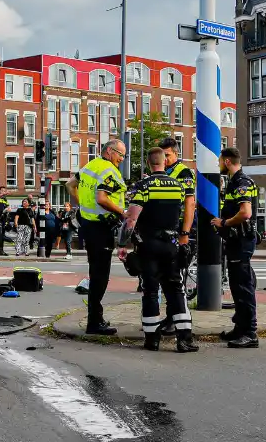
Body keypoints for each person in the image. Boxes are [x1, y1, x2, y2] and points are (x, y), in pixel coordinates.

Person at [123, 147, 196, 353]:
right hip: (171, 244)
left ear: (148, 163)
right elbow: (187, 208)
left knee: (150, 291)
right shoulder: (179, 187)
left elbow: (131, 219)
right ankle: (184, 339)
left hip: (148, 245)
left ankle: (152, 339)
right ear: (165, 162)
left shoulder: (143, 186)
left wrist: (122, 246)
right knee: (176, 290)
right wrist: (183, 235)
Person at [66, 138, 127, 335]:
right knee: (101, 276)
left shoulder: (89, 166)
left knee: (95, 273)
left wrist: (83, 204)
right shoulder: (109, 171)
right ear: (109, 151)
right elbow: (102, 198)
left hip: (88, 225)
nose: (121, 159)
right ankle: (94, 321)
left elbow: (69, 185)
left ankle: (95, 318)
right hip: (102, 228)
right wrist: (122, 213)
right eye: (120, 155)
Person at [210, 147, 259, 348]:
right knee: (237, 285)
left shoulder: (241, 182)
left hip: (241, 240)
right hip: (236, 240)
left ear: (227, 161)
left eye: (220, 160)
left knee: (243, 286)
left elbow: (245, 213)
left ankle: (250, 333)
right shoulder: (235, 181)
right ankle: (240, 327)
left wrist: (224, 222)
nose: (219, 164)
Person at [159, 137, 196, 330]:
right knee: (166, 277)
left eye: (168, 155)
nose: (164, 159)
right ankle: (171, 317)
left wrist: (185, 233)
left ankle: (177, 319)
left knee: (175, 277)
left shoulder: (184, 172)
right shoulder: (163, 171)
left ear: (176, 153)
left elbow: (190, 203)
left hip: (179, 229)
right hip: (165, 230)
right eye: (162, 155)